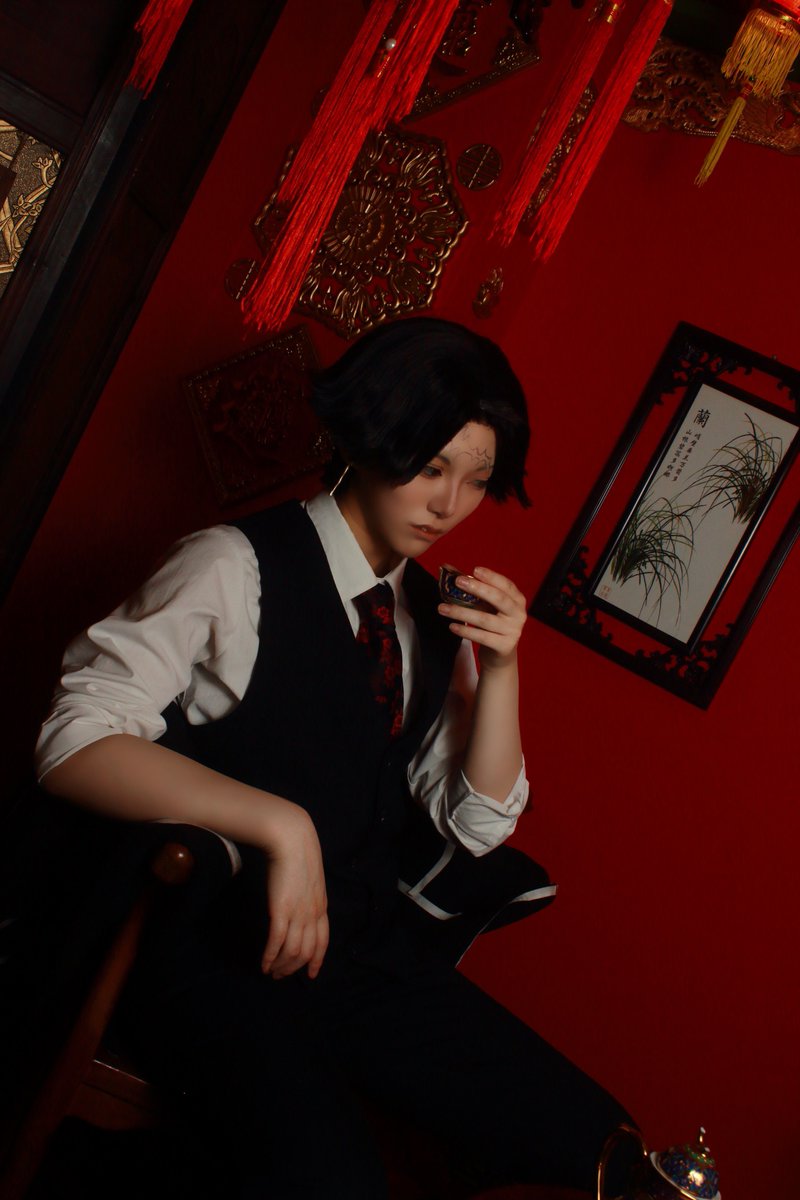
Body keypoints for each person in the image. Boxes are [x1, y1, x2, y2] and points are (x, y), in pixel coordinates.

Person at [35, 318, 633, 1198]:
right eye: (430, 467)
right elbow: (74, 738)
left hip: (362, 962)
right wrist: (281, 825)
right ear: (364, 439)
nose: (449, 504)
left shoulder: (433, 617)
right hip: (215, 953)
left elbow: (476, 823)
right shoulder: (232, 565)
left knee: (603, 1147)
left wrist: (503, 668)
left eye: (477, 481)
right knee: (335, 1180)